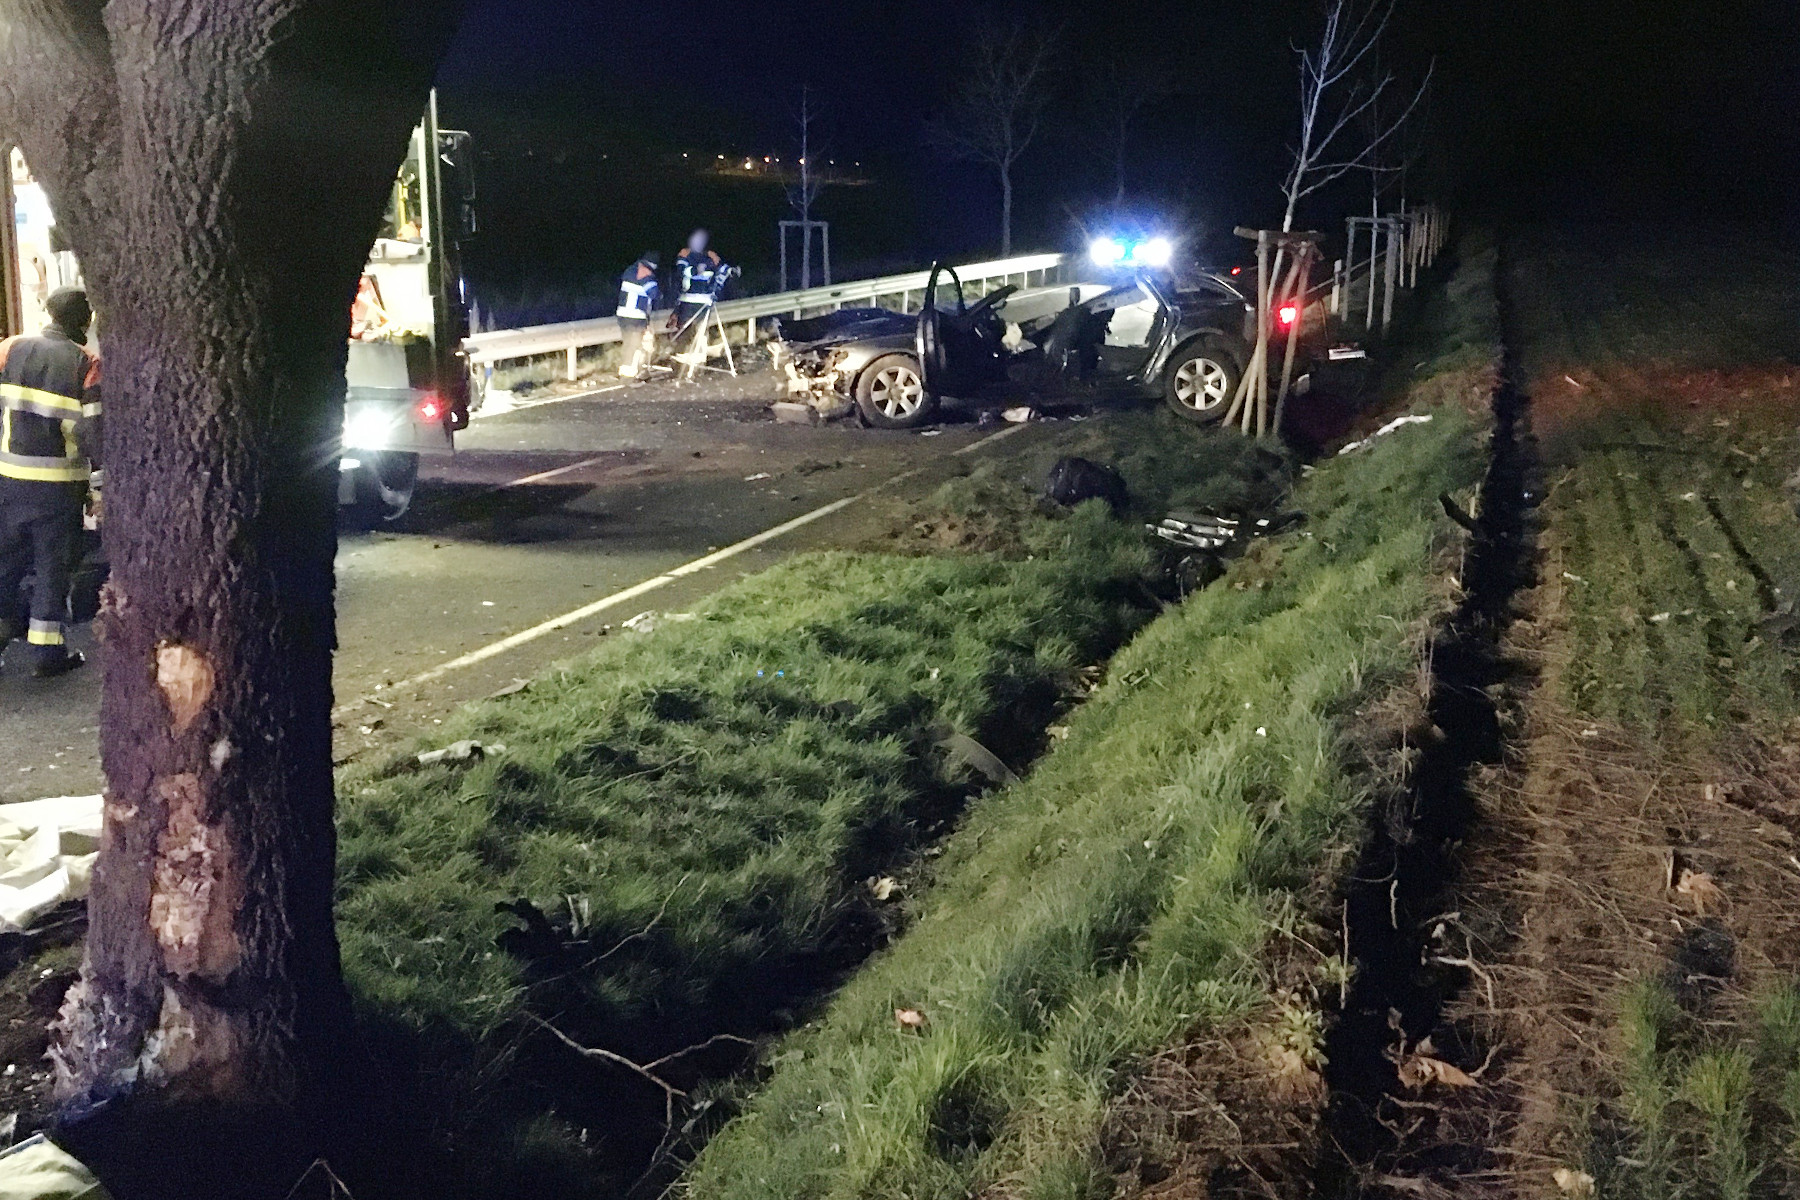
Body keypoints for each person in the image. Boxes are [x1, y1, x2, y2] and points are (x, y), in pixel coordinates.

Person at [0, 287, 100, 677]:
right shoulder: (85, 363)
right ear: (85, 321)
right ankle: (47, 654)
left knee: (6, 565)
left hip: (9, 481)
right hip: (57, 488)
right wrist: (100, 487)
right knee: (51, 570)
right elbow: (94, 433)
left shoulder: (11, 348)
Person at [672, 229, 727, 352]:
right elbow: (681, 272)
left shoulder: (706, 258)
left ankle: (696, 355)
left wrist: (717, 263)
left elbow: (722, 272)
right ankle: (686, 354)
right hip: (690, 302)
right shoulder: (688, 256)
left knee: (697, 332)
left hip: (697, 303)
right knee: (688, 332)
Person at [616, 250, 661, 378]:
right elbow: (654, 293)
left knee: (628, 343)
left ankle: (625, 371)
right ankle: (631, 375)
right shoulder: (645, 274)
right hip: (635, 316)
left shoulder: (630, 270)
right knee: (635, 345)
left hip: (622, 314)